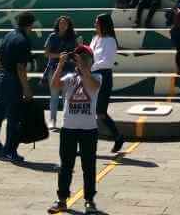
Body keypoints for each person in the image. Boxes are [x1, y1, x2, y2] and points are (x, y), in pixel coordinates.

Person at [47, 45, 102, 215]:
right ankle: (62, 199)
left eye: (85, 57)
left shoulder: (97, 76)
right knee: (65, 166)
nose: (82, 60)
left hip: (88, 129)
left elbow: (92, 87)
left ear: (92, 61)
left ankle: (89, 200)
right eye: (79, 57)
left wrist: (83, 67)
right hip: (69, 128)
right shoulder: (70, 77)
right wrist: (60, 64)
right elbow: (54, 86)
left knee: (89, 166)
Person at [0, 12, 36, 163]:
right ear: (30, 25)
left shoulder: (9, 35)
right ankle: (10, 151)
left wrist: (0, 74)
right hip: (12, 81)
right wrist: (27, 88)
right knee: (13, 118)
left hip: (1, 78)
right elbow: (20, 68)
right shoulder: (23, 41)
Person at [90, 13, 126, 153]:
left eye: (97, 22)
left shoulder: (110, 40)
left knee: (100, 112)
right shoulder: (95, 38)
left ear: (103, 25)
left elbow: (107, 61)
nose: (94, 25)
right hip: (91, 76)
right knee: (92, 112)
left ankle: (117, 136)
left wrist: (90, 67)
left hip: (103, 77)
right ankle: (89, 144)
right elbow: (89, 54)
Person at [42, 15, 79, 130]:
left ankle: (66, 120)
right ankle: (52, 121)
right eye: (61, 23)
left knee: (66, 96)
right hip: (54, 69)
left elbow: (77, 52)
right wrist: (59, 56)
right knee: (54, 96)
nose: (62, 25)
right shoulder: (52, 36)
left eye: (65, 23)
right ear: (57, 24)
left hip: (69, 70)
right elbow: (46, 53)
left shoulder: (74, 37)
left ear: (69, 26)